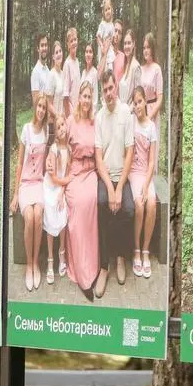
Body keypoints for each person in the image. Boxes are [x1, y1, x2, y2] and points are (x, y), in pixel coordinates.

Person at [94, 69, 136, 299]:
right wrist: (110, 189)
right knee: (101, 203)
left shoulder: (126, 114)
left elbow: (130, 151)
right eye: (105, 90)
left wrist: (119, 189)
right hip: (106, 177)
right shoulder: (99, 116)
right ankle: (104, 267)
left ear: (116, 86)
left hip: (123, 176)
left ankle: (121, 257)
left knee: (128, 209)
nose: (109, 93)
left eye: (111, 88)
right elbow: (98, 156)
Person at [66, 81, 102, 301]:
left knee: (91, 201)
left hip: (91, 172)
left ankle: (93, 268)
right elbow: (62, 147)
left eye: (90, 97)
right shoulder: (71, 120)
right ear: (79, 97)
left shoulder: (95, 121)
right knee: (78, 206)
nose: (87, 100)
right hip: (74, 171)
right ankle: (81, 273)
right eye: (84, 96)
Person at [12, 93, 49, 292]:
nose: (42, 110)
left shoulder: (45, 131)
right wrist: (16, 193)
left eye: (44, 107)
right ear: (35, 107)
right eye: (39, 106)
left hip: (39, 184)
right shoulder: (26, 130)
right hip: (26, 184)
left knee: (38, 215)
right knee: (29, 217)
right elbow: (19, 163)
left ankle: (35, 263)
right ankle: (28, 264)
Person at [129, 87, 159, 280]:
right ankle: (136, 249)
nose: (138, 105)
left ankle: (146, 249)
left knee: (152, 202)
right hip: (133, 172)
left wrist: (147, 185)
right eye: (135, 102)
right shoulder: (130, 122)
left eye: (141, 101)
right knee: (139, 204)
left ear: (146, 103)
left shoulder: (151, 127)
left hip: (146, 174)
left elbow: (151, 162)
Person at [43, 112, 71, 284]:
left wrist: (62, 192)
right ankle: (50, 259)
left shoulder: (69, 149)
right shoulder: (53, 150)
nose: (61, 129)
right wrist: (62, 186)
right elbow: (53, 177)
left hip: (60, 188)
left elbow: (68, 173)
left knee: (63, 209)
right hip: (50, 186)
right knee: (51, 207)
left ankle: (62, 253)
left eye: (63, 125)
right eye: (58, 126)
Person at [139, 32, 165, 122]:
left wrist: (149, 117)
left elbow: (160, 99)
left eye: (148, 48)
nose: (145, 50)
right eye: (144, 48)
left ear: (152, 49)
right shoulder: (140, 69)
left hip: (152, 114)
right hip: (141, 111)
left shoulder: (157, 69)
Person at [62, 28, 81, 118]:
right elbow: (65, 96)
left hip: (78, 110)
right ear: (68, 45)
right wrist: (69, 117)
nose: (74, 42)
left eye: (75, 40)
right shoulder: (67, 64)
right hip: (71, 114)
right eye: (71, 41)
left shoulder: (77, 61)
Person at [30, 33, 51, 111]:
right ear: (38, 48)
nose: (44, 48)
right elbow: (36, 102)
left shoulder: (48, 70)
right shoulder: (36, 72)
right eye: (42, 45)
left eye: (46, 45)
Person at [97, 0, 116, 72]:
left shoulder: (112, 25)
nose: (108, 11)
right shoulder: (102, 24)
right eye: (106, 10)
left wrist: (113, 41)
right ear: (103, 13)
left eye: (109, 9)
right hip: (103, 46)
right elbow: (98, 36)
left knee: (111, 57)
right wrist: (101, 46)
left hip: (109, 47)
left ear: (111, 10)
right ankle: (104, 70)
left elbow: (113, 36)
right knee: (104, 63)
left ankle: (110, 69)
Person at [82, 41, 100, 109]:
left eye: (90, 52)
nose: (88, 54)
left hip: (90, 112)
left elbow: (95, 100)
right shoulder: (83, 72)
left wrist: (92, 116)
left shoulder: (94, 72)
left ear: (93, 55)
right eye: (86, 52)